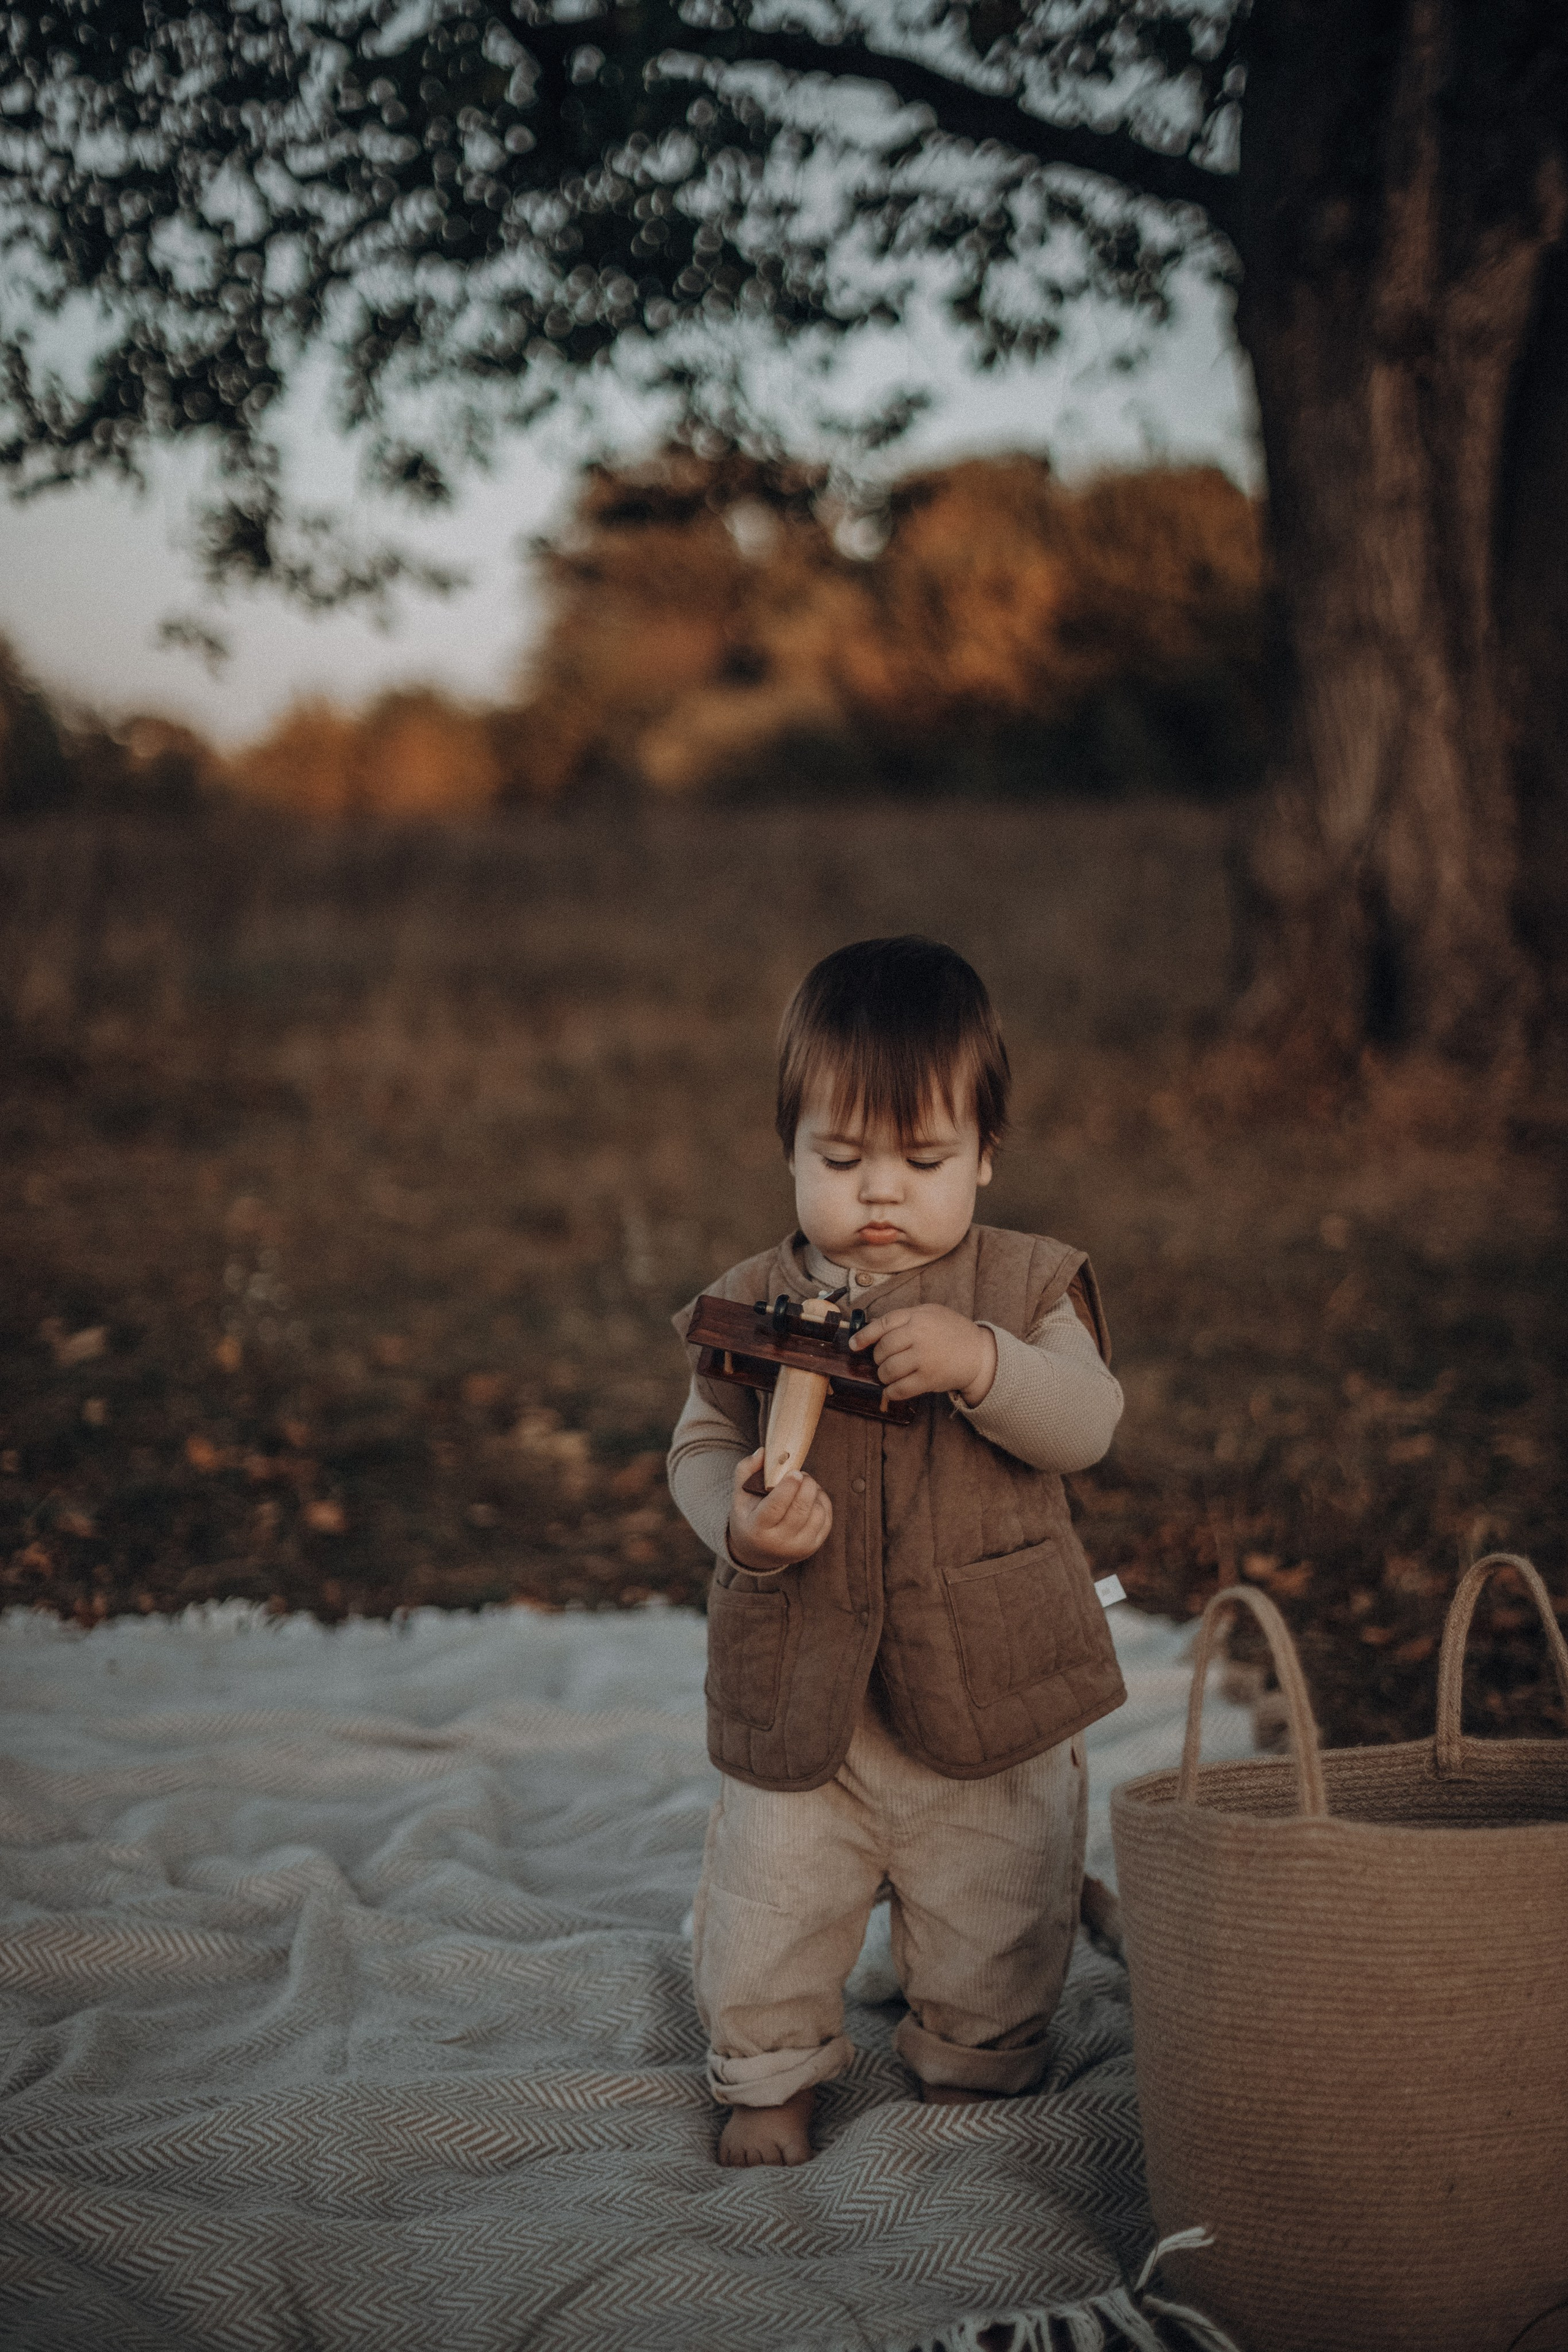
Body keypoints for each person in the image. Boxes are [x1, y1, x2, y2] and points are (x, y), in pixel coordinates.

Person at [668, 936, 1128, 2167]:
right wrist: (737, 1522)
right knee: (770, 1901)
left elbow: (1087, 1424)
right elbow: (700, 1445)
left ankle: (973, 2057)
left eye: (923, 1162)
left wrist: (985, 1366)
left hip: (991, 1683)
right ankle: (770, 2072)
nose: (880, 1194)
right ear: (789, 1150)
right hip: (803, 1690)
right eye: (839, 1161)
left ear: (984, 1153)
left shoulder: (1027, 1289)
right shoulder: (751, 1304)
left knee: (997, 1898)